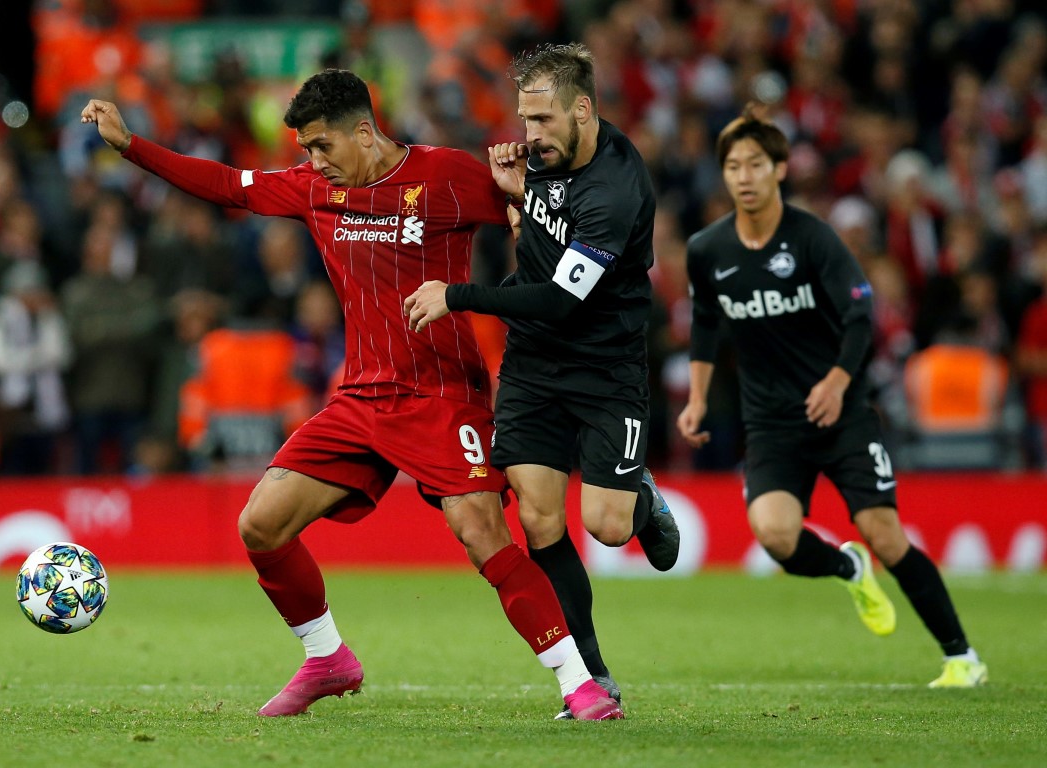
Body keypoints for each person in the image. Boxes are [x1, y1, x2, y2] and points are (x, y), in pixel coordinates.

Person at [82, 69, 622, 720]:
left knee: (480, 529)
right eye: (306, 149)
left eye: (322, 147)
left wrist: (523, 205)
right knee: (260, 524)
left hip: (442, 394)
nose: (313, 163)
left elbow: (544, 226)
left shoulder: (447, 176)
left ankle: (579, 682)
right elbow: (228, 186)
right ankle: (327, 658)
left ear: (364, 132)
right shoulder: (314, 189)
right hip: (361, 398)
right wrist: (130, 145)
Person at [404, 43, 680, 718]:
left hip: (605, 368)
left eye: (545, 121)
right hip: (532, 367)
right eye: (525, 119)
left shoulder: (616, 189)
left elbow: (561, 297)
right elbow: (540, 241)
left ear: (583, 110)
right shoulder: (540, 166)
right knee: (536, 514)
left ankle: (641, 498)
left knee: (609, 528)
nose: (531, 137)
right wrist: (518, 200)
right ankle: (592, 673)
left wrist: (459, 295)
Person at [676, 104, 986, 688]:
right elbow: (705, 327)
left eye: (755, 164)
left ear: (781, 170)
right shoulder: (708, 250)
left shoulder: (812, 237)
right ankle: (847, 566)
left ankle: (961, 656)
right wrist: (696, 398)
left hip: (840, 415)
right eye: (733, 166)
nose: (743, 176)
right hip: (770, 422)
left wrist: (839, 380)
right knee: (776, 536)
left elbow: (861, 312)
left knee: (885, 532)